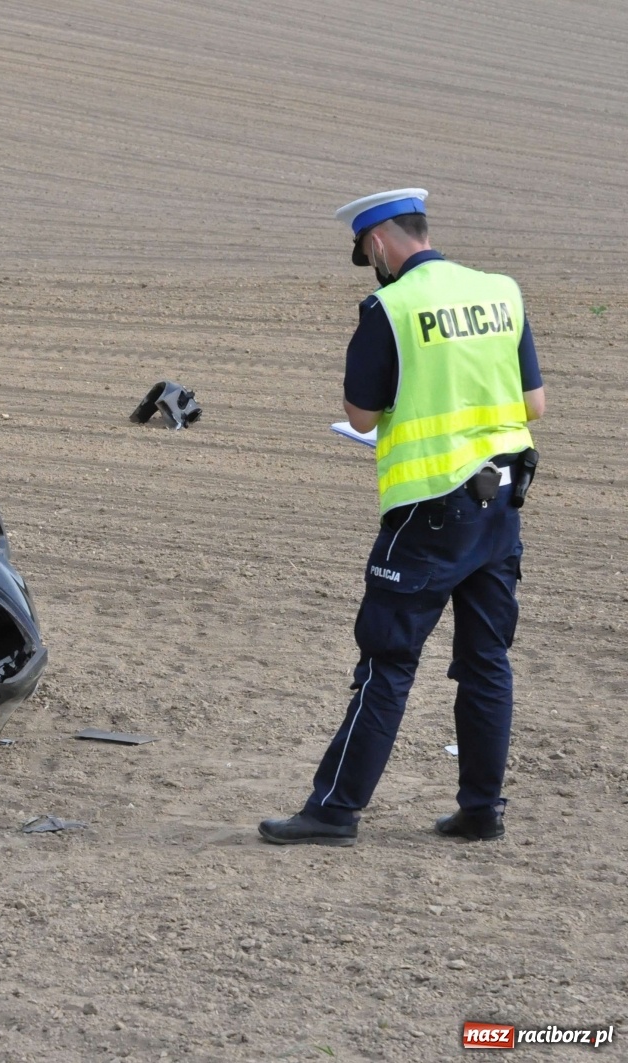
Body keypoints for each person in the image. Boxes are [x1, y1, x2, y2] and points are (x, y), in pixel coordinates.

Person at [259, 188, 545, 846]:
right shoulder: (503, 291)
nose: (371, 264)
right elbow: (534, 402)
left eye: (366, 252)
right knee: (486, 660)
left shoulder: (390, 306)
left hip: (430, 514)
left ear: (381, 241)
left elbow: (361, 415)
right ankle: (482, 810)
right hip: (501, 504)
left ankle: (333, 811)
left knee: (386, 662)